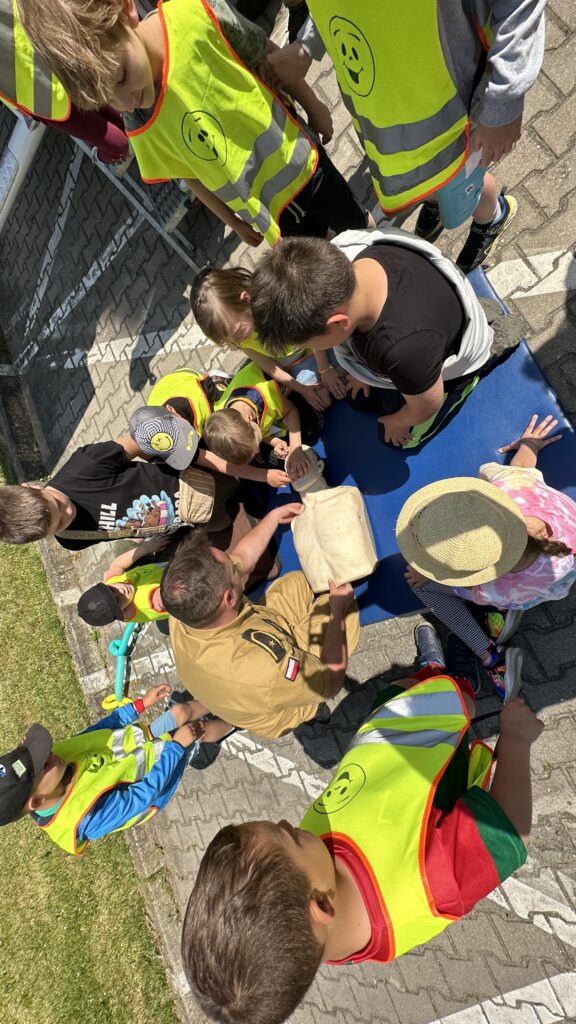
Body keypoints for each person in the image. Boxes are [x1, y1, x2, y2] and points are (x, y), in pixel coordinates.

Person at [180, 624, 544, 1024]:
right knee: (461, 692)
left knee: (412, 690)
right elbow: (510, 827)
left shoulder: (309, 930)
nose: (289, 821)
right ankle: (461, 676)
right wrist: (515, 738)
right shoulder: (429, 886)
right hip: (439, 756)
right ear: (321, 905)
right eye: (290, 836)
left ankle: (436, 673)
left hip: (394, 728)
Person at [19, 0, 372, 249]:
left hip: (302, 162)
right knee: (324, 260)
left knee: (359, 226)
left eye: (122, 76)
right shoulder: (137, 119)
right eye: (106, 100)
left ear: (125, 9)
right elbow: (188, 175)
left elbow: (266, 55)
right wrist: (232, 220)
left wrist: (314, 104)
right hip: (267, 210)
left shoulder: (195, 15)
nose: (125, 101)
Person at [267, 0, 546, 273]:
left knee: (463, 180)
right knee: (427, 179)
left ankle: (492, 217)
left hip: (451, 105)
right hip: (389, 114)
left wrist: (504, 97)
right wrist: (307, 45)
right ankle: (434, 198)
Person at [251, 229, 515, 449]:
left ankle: (493, 346)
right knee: (358, 399)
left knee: (394, 439)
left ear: (338, 323)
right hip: (435, 300)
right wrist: (361, 372)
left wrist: (397, 421)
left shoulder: (402, 351)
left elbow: (427, 405)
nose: (309, 349)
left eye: (308, 344)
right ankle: (475, 312)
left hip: (454, 354)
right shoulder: (346, 255)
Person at [399, 415, 576, 697]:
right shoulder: (515, 493)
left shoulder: (490, 588)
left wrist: (426, 573)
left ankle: (489, 654)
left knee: (419, 584)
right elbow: (521, 467)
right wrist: (530, 443)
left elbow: (469, 587)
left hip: (510, 594)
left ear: (474, 571)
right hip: (551, 584)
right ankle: (505, 614)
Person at [161, 503, 360, 739]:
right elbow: (331, 681)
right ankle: (309, 713)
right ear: (229, 598)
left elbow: (242, 558)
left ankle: (303, 627)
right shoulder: (265, 669)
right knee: (344, 610)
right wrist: (337, 611)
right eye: (232, 572)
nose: (235, 565)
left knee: (297, 582)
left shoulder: (182, 605)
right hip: (272, 698)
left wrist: (273, 517)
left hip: (246, 650)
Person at [0, 684, 231, 854]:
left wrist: (138, 706)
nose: (50, 754)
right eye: (44, 762)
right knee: (198, 730)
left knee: (181, 712)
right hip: (159, 769)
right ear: (37, 802)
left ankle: (223, 696)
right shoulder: (86, 820)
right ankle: (240, 719)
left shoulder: (55, 760)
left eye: (41, 751)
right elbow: (143, 795)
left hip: (141, 742)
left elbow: (96, 733)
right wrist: (178, 746)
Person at [0, 432, 238, 549]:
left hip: (199, 483)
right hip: (193, 520)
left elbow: (140, 441)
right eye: (59, 524)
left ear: (31, 486)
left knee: (242, 481)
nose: (68, 514)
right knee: (231, 522)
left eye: (59, 505)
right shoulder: (72, 539)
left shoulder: (86, 465)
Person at [0, 0, 129, 166]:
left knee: (101, 133)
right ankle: (134, 129)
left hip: (35, 87)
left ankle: (115, 155)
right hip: (48, 39)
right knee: (99, 96)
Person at [190, 267, 336, 413]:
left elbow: (315, 333)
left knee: (338, 367)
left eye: (238, 332)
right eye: (229, 342)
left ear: (246, 299)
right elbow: (268, 364)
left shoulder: (278, 301)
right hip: (291, 363)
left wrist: (324, 369)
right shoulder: (239, 337)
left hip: (318, 342)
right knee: (321, 398)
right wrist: (302, 389)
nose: (236, 343)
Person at [142, 379, 291, 489]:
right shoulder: (167, 441)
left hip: (199, 387)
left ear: (172, 410)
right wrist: (264, 476)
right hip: (167, 396)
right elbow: (217, 463)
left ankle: (222, 382)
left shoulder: (204, 409)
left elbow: (218, 459)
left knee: (223, 420)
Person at [204, 362, 313, 480]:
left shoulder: (266, 395)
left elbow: (291, 411)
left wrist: (296, 448)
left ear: (249, 419)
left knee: (311, 427)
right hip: (259, 412)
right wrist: (274, 442)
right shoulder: (225, 414)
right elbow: (257, 431)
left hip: (277, 386)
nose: (258, 450)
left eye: (256, 444)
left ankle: (224, 380)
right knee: (273, 460)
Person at [77, 535, 171, 626]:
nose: (121, 590)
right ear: (121, 612)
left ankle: (146, 532)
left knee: (121, 547)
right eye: (118, 600)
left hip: (153, 570)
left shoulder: (112, 583)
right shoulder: (150, 600)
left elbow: (116, 565)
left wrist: (147, 548)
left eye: (111, 589)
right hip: (172, 574)